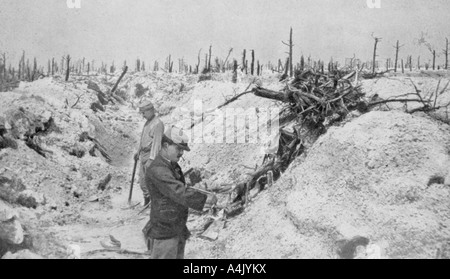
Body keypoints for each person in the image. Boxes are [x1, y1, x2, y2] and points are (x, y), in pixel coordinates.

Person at [142, 126, 217, 259]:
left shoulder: (171, 165)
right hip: (165, 233)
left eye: (182, 149)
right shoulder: (158, 169)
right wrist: (204, 199)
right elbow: (178, 191)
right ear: (165, 145)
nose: (182, 153)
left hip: (176, 228)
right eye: (179, 148)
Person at [135, 100, 164, 206]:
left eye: (144, 112)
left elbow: (157, 143)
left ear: (151, 110)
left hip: (151, 156)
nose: (142, 115)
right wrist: (138, 151)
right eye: (141, 113)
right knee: (142, 181)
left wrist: (152, 159)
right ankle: (147, 200)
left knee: (151, 181)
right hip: (143, 154)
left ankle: (154, 204)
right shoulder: (147, 123)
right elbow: (143, 138)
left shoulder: (158, 124)